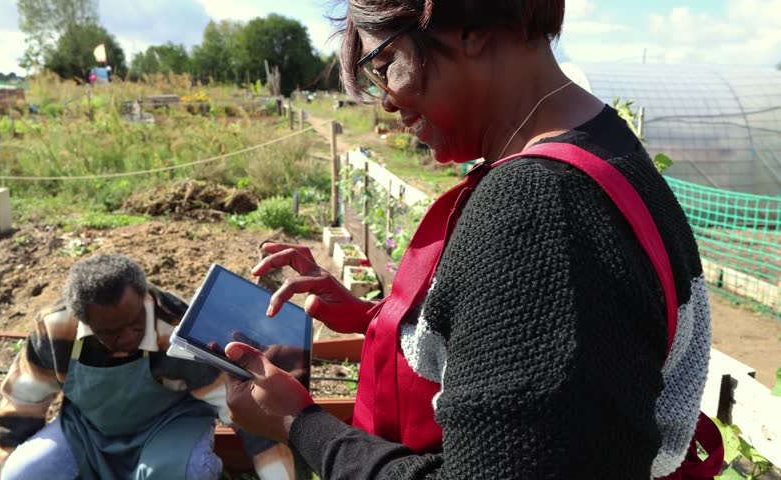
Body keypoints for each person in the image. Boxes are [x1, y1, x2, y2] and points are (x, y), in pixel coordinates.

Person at [222, 1, 719, 479]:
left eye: (386, 63)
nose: (387, 99)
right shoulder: (604, 148)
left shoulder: (539, 211)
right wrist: (374, 317)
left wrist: (298, 424)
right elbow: (531, 353)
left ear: (467, 26)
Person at [0, 253, 296, 480]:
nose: (129, 336)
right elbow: (21, 404)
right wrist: (6, 464)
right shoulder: (56, 329)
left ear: (145, 297)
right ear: (85, 320)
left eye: (136, 323)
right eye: (111, 332)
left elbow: (244, 415)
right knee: (22, 474)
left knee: (184, 472)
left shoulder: (179, 331)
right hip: (87, 431)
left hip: (171, 428)